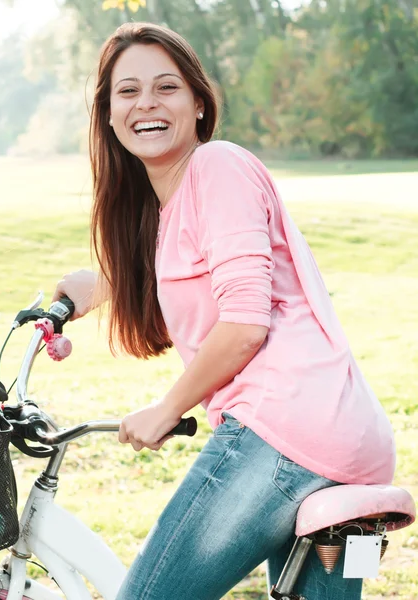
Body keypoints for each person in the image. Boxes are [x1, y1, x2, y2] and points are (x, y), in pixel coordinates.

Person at [52, 22, 395, 600]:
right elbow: (185, 280)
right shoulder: (170, 211)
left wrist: (167, 408)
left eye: (167, 87)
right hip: (340, 429)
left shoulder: (218, 167)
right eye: (128, 91)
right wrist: (98, 288)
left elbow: (243, 325)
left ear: (200, 105)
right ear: (107, 114)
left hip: (284, 430)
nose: (147, 104)